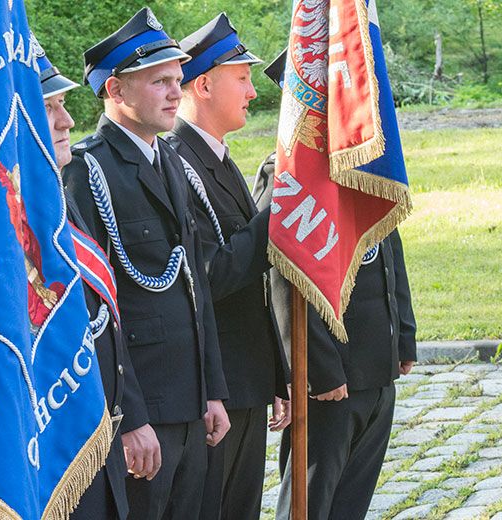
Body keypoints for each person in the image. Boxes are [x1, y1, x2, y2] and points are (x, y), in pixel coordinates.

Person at [61, 8, 230, 519]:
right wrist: (129, 418)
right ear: (115, 90)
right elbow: (94, 310)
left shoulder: (170, 157)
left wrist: (213, 390)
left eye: (178, 80)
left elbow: (194, 288)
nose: (175, 92)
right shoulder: (88, 171)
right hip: (142, 410)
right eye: (159, 81)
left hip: (189, 399)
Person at [251, 51, 418, 520]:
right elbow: (282, 278)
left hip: (374, 363)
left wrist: (402, 333)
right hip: (330, 375)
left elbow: (389, 254)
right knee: (309, 502)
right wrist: (318, 369)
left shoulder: (363, 162)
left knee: (353, 498)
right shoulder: (288, 173)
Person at [163, 13, 289, 520]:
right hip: (214, 389)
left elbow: (254, 286)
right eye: (242, 77)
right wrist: (278, 206)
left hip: (244, 380)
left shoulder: (216, 156)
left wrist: (274, 373)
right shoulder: (177, 160)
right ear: (204, 83)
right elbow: (212, 275)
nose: (253, 92)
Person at [35, 36, 138, 520]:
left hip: (100, 433)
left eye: (63, 104)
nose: (68, 120)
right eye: (49, 106)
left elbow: (105, 322)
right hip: (52, 457)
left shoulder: (56, 196)